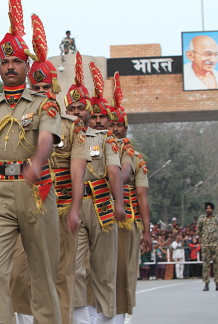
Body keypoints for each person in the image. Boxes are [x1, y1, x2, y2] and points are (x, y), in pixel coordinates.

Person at [0, 0, 62, 322]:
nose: (10, 66)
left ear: (27, 67)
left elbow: (47, 139)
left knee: (41, 275)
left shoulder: (44, 104)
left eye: (16, 61)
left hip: (36, 193)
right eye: (5, 61)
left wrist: (37, 164)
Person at [9, 14, 88, 324]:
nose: (41, 90)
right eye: (36, 85)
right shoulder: (16, 121)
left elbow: (78, 173)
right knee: (19, 274)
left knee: (60, 276)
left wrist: (75, 210)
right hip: (25, 207)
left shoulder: (70, 127)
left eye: (45, 85)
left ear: (54, 86)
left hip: (61, 207)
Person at [69, 58, 125, 324]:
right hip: (71, 206)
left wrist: (119, 203)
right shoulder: (60, 139)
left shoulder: (104, 139)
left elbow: (113, 171)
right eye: (73, 108)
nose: (78, 112)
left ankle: (107, 318)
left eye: (82, 107)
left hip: (101, 204)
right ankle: (81, 318)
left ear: (89, 111)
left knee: (103, 269)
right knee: (75, 267)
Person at [108, 71, 151, 322]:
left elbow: (141, 195)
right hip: (101, 218)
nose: (114, 128)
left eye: (118, 125)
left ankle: (120, 316)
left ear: (126, 127)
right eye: (111, 124)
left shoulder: (132, 155)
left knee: (124, 273)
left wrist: (146, 230)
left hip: (126, 222)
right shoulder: (96, 147)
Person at [197, 202, 218, 291]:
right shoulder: (202, 219)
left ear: (212, 209)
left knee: (216, 265)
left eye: (210, 208)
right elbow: (199, 230)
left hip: (216, 244)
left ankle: (217, 283)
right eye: (207, 208)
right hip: (206, 245)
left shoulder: (216, 218)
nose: (208, 210)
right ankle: (206, 283)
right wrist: (200, 239)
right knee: (206, 265)